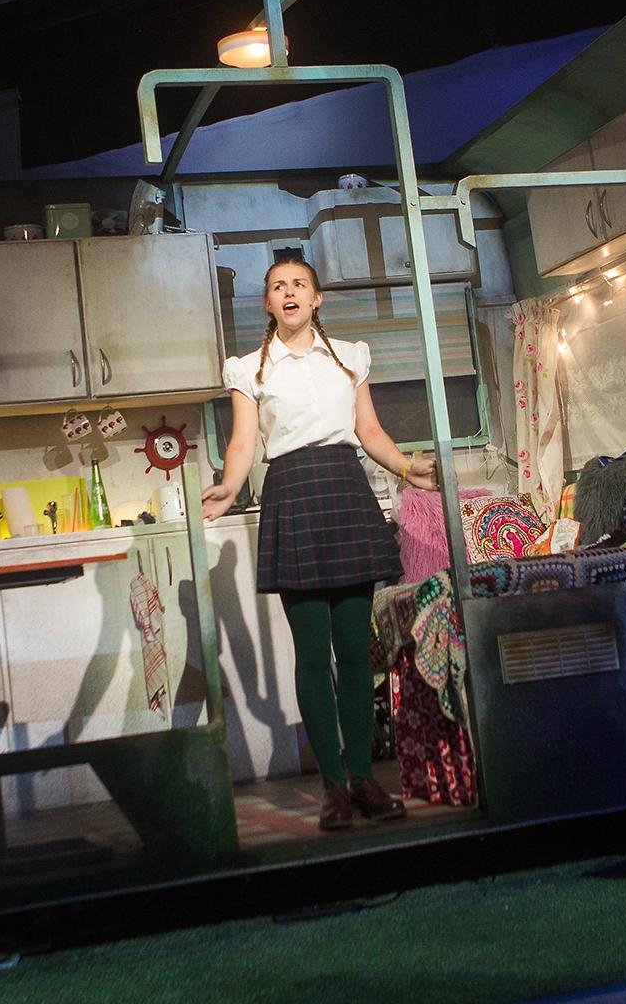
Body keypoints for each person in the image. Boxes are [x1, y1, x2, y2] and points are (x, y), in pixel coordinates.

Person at [201, 256, 439, 831]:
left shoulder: (348, 358)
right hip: (292, 494)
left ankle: (363, 780)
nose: (289, 293)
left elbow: (370, 431)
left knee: (355, 650)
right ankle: (333, 784)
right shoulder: (250, 370)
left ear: (316, 299)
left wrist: (409, 468)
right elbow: (242, 444)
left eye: (298, 285)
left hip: (344, 488)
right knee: (313, 653)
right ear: (267, 304)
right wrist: (230, 486)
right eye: (277, 286)